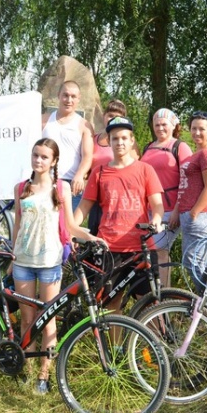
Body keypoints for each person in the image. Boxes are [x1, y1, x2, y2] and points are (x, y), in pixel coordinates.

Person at [12, 138, 104, 394]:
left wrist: (91, 237)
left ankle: (45, 374)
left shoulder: (60, 188)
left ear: (53, 162)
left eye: (44, 157)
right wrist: (12, 255)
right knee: (27, 318)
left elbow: (72, 227)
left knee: (48, 318)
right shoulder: (21, 188)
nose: (38, 161)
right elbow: (17, 226)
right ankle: (27, 370)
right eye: (35, 155)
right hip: (23, 262)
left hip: (50, 263)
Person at [74, 116, 165, 312]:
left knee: (151, 304)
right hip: (109, 248)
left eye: (124, 138)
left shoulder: (145, 170)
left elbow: (157, 204)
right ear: (109, 141)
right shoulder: (99, 173)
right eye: (115, 138)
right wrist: (70, 230)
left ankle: (151, 343)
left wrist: (156, 220)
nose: (120, 142)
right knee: (111, 305)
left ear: (132, 140)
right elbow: (83, 208)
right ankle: (116, 345)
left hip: (141, 248)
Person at [141, 108, 193, 287]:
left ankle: (165, 297)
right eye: (157, 124)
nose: (160, 128)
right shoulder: (148, 147)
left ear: (173, 125)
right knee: (148, 251)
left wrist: (177, 211)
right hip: (148, 209)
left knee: (160, 249)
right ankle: (152, 296)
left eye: (164, 124)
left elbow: (187, 180)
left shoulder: (180, 147)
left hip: (170, 209)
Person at [169, 111, 207, 291]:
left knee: (195, 265)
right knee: (195, 265)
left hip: (200, 216)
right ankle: (206, 308)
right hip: (189, 215)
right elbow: (186, 186)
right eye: (193, 128)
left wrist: (193, 213)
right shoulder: (196, 154)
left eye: (202, 129)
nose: (197, 132)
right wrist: (178, 210)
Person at [41, 81, 93, 211]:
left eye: (73, 96)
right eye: (65, 95)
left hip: (71, 185)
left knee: (68, 228)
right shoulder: (43, 120)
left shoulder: (84, 125)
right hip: (45, 181)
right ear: (58, 95)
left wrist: (80, 175)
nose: (69, 100)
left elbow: (87, 156)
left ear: (78, 98)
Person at [86, 99, 124, 235]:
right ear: (104, 116)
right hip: (95, 194)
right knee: (94, 230)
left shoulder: (126, 142)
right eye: (110, 115)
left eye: (117, 117)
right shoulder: (93, 139)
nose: (112, 119)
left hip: (116, 195)